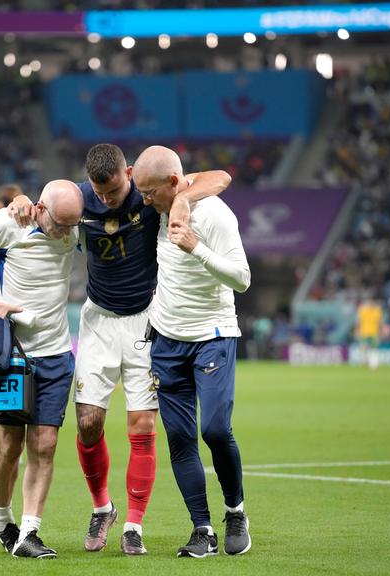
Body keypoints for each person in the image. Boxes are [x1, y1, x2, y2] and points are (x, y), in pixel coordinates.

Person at [9, 144, 231, 555]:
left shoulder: (149, 196)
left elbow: (219, 179)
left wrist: (181, 198)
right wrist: (23, 201)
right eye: (101, 193)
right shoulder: (79, 201)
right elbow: (40, 207)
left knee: (142, 426)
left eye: (114, 192)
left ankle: (134, 524)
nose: (107, 201)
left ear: (128, 173)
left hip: (147, 318)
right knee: (89, 422)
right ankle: (102, 508)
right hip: (97, 319)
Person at [0, 179, 84, 559]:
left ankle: (29, 533)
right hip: (12, 356)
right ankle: (2, 520)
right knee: (9, 446)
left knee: (46, 444)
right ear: (39, 208)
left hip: (56, 353)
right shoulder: (8, 224)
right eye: (60, 224)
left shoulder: (73, 225)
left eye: (73, 226)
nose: (67, 233)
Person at [133, 145, 251, 558]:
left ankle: (235, 511)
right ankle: (202, 528)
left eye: (150, 193)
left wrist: (196, 249)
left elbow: (242, 279)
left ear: (171, 183)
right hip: (166, 339)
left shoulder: (217, 216)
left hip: (213, 334)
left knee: (215, 429)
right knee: (180, 438)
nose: (144, 202)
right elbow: (205, 176)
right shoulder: (161, 205)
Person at [355, 296, 383, 370]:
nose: (370, 303)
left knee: (373, 349)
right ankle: (365, 362)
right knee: (364, 349)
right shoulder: (362, 310)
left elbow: (379, 322)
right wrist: (357, 330)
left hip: (374, 333)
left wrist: (380, 331)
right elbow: (359, 321)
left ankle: (374, 364)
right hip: (364, 332)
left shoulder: (377, 310)